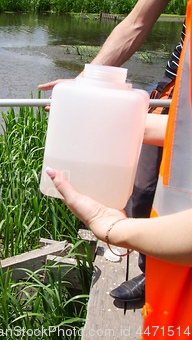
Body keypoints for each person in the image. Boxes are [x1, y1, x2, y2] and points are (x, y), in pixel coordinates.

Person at [43, 0, 192, 336]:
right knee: (143, 192)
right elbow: (136, 22)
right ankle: (153, 268)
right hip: (176, 100)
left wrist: (114, 230)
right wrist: (88, 89)